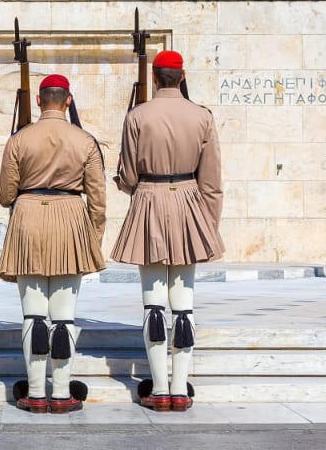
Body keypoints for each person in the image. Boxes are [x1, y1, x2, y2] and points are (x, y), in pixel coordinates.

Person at [110, 50, 224, 412]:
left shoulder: (137, 116)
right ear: (182, 75)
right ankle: (179, 386)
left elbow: (128, 174)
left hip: (150, 200)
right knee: (184, 304)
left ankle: (159, 388)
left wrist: (127, 184)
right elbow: (212, 179)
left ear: (156, 77)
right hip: (190, 201)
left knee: (153, 303)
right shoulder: (202, 116)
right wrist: (207, 224)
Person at [0, 73, 106, 415]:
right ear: (68, 101)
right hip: (70, 219)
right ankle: (60, 393)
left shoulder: (20, 139)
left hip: (28, 219)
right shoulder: (85, 140)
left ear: (40, 101)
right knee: (63, 318)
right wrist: (93, 237)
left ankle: (33, 392)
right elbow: (98, 197)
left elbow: (4, 195)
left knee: (33, 315)